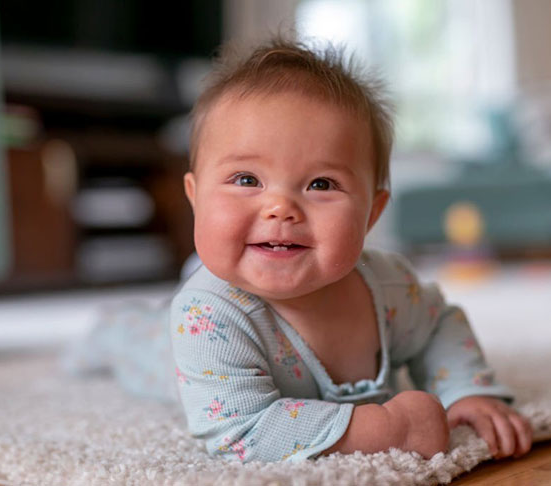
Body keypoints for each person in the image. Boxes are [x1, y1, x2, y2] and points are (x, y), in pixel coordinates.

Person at [170, 37, 532, 463]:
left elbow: (437, 327)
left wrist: (466, 391)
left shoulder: (388, 285)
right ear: (195, 197)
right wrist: (388, 428)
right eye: (247, 179)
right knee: (130, 342)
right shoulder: (205, 317)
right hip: (170, 350)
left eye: (321, 184)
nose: (280, 208)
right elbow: (242, 433)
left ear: (372, 212)